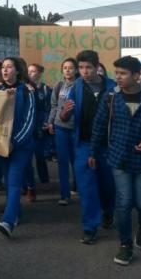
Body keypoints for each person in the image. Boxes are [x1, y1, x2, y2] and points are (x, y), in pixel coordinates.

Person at [91, 56, 141, 266]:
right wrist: (92, 152)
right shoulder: (110, 98)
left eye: (123, 73)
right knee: (124, 203)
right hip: (119, 158)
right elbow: (99, 125)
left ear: (137, 76)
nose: (118, 77)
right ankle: (125, 245)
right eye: (116, 73)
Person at [60, 50, 116, 245]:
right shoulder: (76, 87)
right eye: (81, 68)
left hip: (107, 146)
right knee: (86, 187)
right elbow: (64, 115)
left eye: (88, 67)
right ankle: (90, 227)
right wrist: (64, 114)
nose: (84, 71)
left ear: (97, 66)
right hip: (83, 144)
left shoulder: (112, 87)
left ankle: (109, 211)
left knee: (107, 185)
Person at [0, 57, 36, 238]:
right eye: (3, 67)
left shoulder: (27, 92)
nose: (5, 70)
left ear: (17, 71)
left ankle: (8, 220)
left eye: (9, 67)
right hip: (0, 145)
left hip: (21, 146)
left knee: (14, 180)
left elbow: (29, 120)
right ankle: (16, 213)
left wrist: (14, 143)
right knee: (7, 180)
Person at [47, 58, 78, 205]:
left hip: (77, 129)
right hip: (60, 128)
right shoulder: (58, 86)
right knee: (63, 162)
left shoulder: (80, 86)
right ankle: (64, 195)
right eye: (65, 67)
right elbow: (53, 105)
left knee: (77, 161)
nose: (67, 70)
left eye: (71, 68)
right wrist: (51, 122)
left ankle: (77, 186)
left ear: (76, 70)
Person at [23, 63, 51, 201]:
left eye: (33, 71)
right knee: (25, 158)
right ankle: (27, 185)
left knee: (40, 156)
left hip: (39, 127)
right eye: (28, 71)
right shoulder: (24, 88)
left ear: (39, 73)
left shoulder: (45, 89)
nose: (30, 73)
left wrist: (46, 121)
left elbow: (49, 107)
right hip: (26, 128)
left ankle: (44, 180)